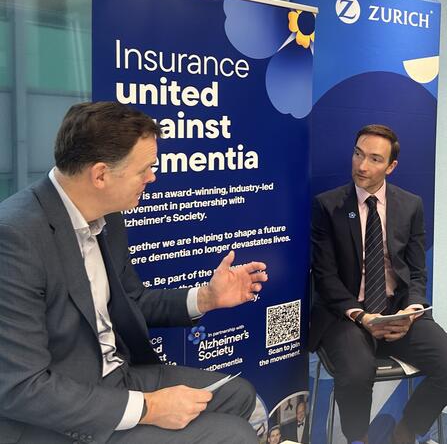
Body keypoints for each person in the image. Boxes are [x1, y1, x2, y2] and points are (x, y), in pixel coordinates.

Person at [0, 102, 268, 444]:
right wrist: (149, 407)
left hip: (116, 376)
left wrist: (206, 298)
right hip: (60, 414)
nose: (152, 178)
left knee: (239, 394)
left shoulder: (107, 215)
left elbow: (131, 300)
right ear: (100, 175)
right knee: (235, 435)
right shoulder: (14, 237)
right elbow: (22, 388)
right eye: (145, 169)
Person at [309, 124, 447, 444]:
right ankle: (359, 438)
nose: (362, 166)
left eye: (374, 159)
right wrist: (363, 317)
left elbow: (417, 271)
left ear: (391, 166)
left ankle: (406, 431)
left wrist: (411, 309)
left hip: (397, 311)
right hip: (347, 316)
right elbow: (325, 277)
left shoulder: (410, 206)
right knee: (356, 373)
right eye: (357, 154)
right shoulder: (328, 206)